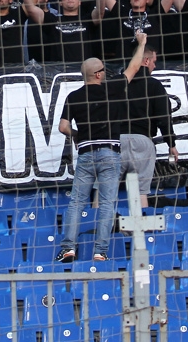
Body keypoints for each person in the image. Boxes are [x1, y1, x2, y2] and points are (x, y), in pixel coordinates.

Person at [56, 32, 148, 263]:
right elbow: (135, 66)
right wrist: (142, 43)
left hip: (86, 153)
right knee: (107, 204)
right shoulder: (113, 88)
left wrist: (77, 134)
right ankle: (100, 251)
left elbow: (63, 127)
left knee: (77, 203)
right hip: (110, 153)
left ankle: (68, 248)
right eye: (103, 71)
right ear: (98, 74)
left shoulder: (74, 96)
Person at [121, 43, 178, 208]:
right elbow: (163, 117)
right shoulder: (154, 85)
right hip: (142, 141)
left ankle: (97, 228)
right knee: (140, 192)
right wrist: (171, 144)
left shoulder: (116, 84)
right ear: (145, 61)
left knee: (104, 190)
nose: (155, 65)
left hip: (114, 142)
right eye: (154, 61)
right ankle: (143, 231)